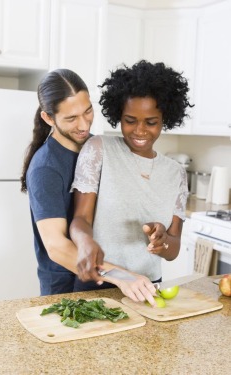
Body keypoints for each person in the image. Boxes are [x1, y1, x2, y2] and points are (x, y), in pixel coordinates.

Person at [20, 68, 157, 305]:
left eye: (87, 111)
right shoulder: (45, 168)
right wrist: (120, 275)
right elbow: (57, 247)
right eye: (71, 118)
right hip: (67, 291)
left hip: (109, 283)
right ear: (48, 118)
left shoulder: (97, 147)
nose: (84, 125)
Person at [69, 60, 192, 301]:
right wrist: (84, 243)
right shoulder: (99, 149)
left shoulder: (176, 173)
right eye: (130, 120)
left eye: (151, 122)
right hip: (100, 284)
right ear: (119, 116)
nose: (139, 130)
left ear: (164, 118)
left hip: (148, 290)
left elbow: (173, 248)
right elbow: (80, 218)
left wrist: (163, 241)